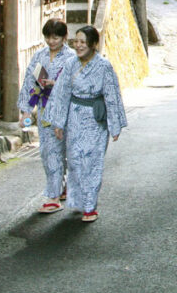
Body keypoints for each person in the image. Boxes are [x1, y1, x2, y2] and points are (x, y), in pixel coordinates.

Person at [41, 23, 126, 221]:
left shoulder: (104, 66)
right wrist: (58, 123)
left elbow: (112, 95)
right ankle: (78, 201)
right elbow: (61, 93)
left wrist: (114, 125)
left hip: (96, 120)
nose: (78, 46)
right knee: (76, 162)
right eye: (76, 42)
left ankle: (90, 207)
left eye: (83, 42)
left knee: (92, 163)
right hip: (74, 117)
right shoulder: (71, 64)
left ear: (94, 44)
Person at [17, 18, 79, 214]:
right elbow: (30, 83)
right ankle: (53, 196)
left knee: (70, 152)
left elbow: (78, 83)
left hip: (68, 110)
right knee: (49, 151)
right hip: (45, 111)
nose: (51, 41)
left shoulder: (72, 57)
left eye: (56, 37)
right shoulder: (39, 56)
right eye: (48, 37)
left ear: (64, 37)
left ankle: (67, 185)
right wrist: (26, 111)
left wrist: (57, 84)